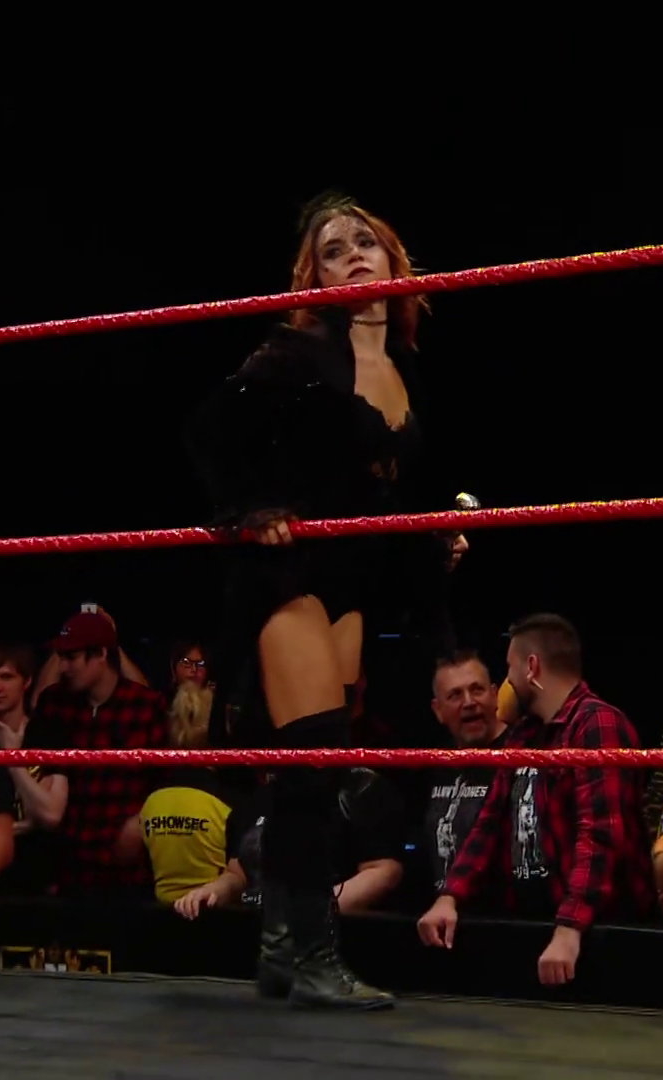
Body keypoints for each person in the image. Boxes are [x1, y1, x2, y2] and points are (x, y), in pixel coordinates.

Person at [184, 193, 463, 1011]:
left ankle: (280, 948)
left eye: (364, 241)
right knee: (313, 755)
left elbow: (390, 486)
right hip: (288, 574)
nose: (353, 256)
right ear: (316, 278)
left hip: (350, 582)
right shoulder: (300, 349)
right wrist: (251, 510)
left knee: (314, 772)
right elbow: (209, 431)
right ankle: (313, 955)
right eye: (334, 250)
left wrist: (440, 533)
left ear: (392, 258)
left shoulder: (405, 364)